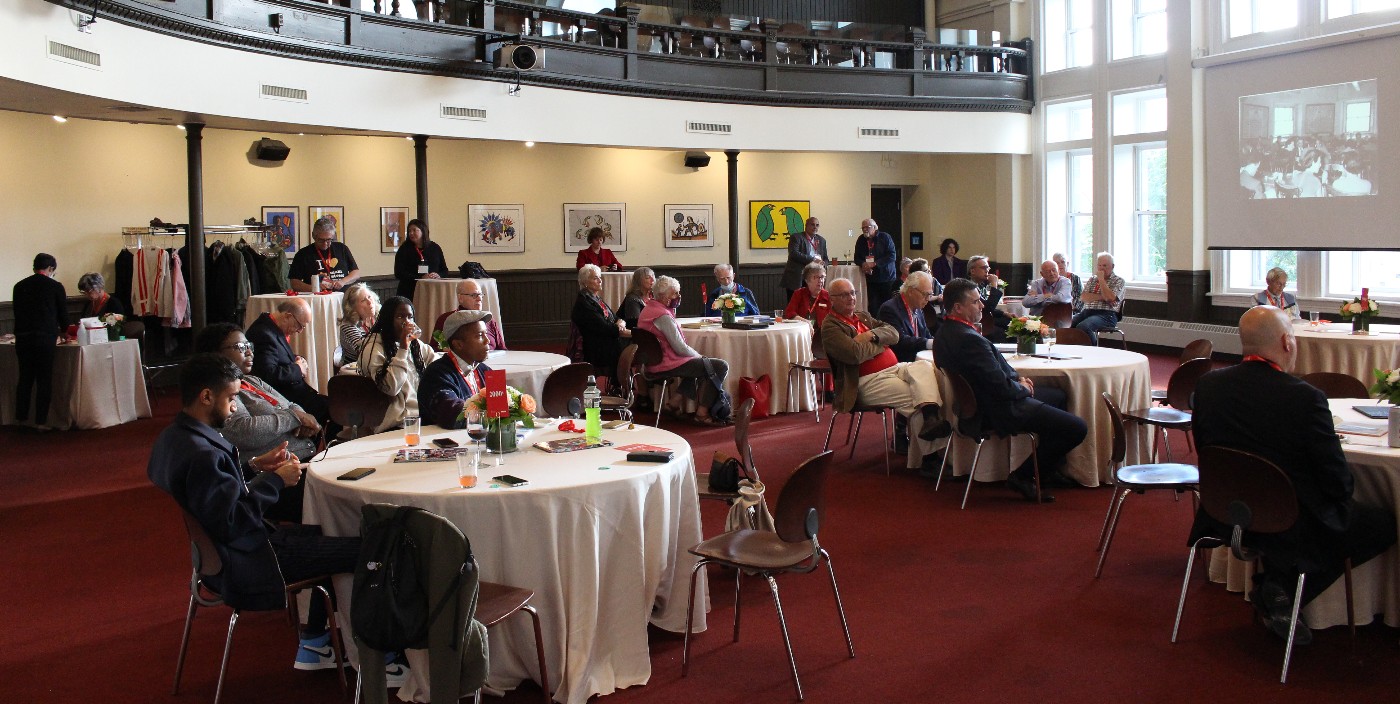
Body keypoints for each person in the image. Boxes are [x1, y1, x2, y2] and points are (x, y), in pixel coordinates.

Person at [146, 354, 368, 675]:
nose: (235, 406)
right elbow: (235, 521)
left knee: (326, 532)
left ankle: (316, 641)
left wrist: (255, 467)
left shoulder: (175, 438)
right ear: (206, 396)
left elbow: (217, 499)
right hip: (249, 560)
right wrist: (276, 482)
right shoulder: (203, 454)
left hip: (215, 561)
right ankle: (377, 656)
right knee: (365, 548)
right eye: (232, 397)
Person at [1189, 306, 1395, 644]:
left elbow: (1206, 447)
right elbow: (1337, 482)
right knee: (1381, 524)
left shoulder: (1208, 386)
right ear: (1287, 342)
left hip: (1225, 513)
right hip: (1291, 521)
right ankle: (1279, 588)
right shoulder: (1305, 398)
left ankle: (1278, 589)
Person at [934, 279, 1088, 502]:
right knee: (1077, 428)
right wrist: (1022, 387)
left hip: (979, 403)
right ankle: (1022, 476)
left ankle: (1045, 470)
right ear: (958, 307)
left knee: (1059, 396)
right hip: (997, 409)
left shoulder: (945, 332)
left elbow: (992, 375)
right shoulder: (969, 340)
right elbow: (1001, 388)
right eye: (976, 302)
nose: (982, 306)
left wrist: (1017, 378)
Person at [820, 278, 947, 470]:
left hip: (892, 369)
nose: (851, 298)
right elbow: (854, 354)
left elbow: (894, 333)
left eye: (853, 293)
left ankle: (931, 416)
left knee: (924, 367)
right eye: (844, 295)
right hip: (865, 382)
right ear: (832, 299)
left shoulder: (862, 316)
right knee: (917, 396)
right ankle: (928, 461)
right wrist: (881, 344)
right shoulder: (831, 327)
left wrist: (871, 336)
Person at [197, 322, 322, 464]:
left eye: (249, 346)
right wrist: (295, 418)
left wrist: (301, 418)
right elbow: (243, 432)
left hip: (304, 457)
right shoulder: (220, 391)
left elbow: (291, 405)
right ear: (216, 353)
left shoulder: (252, 381)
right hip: (273, 472)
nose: (249, 352)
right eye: (241, 347)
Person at [638, 276, 731, 425]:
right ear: (662, 296)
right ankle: (702, 413)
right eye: (674, 293)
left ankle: (674, 403)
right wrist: (701, 357)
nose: (678, 297)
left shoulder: (649, 309)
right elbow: (680, 348)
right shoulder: (662, 316)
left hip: (655, 361)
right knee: (719, 366)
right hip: (664, 363)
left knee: (698, 366)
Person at [358, 296, 439, 434]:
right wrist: (403, 349)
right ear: (388, 320)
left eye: (410, 317)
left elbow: (438, 367)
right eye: (400, 317)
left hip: (423, 417)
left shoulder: (416, 345)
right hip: (396, 423)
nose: (406, 323)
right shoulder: (373, 348)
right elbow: (391, 388)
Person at [246, 297, 330, 423]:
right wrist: (297, 369)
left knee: (335, 406)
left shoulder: (271, 326)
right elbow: (267, 375)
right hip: (282, 398)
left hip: (293, 392)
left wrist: (296, 359)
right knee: (334, 410)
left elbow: (277, 355)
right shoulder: (263, 334)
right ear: (287, 316)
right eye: (300, 325)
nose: (300, 331)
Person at [12, 253, 68, 430]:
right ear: (50, 269)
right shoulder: (55, 286)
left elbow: (16, 312)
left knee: (25, 378)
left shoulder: (19, 286)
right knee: (44, 379)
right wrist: (65, 331)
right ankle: (40, 421)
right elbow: (62, 314)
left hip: (23, 337)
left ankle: (21, 419)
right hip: (45, 337)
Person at [417, 310, 494, 429]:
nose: (487, 341)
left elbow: (501, 406)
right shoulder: (437, 374)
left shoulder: (485, 370)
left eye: (486, 334)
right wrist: (492, 409)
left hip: (476, 441)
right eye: (479, 336)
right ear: (458, 344)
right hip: (442, 444)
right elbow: (451, 415)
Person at [571, 264, 630, 379]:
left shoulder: (595, 298)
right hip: (595, 348)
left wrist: (620, 323)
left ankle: (624, 386)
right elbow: (606, 328)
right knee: (628, 348)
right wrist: (618, 326)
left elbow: (616, 317)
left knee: (630, 345)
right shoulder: (584, 303)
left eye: (599, 277)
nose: (600, 281)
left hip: (604, 341)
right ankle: (622, 386)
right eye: (595, 278)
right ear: (585, 282)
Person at [877, 271, 938, 363]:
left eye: (930, 295)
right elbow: (899, 341)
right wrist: (929, 343)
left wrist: (937, 343)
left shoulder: (918, 308)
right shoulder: (889, 309)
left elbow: (926, 334)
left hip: (918, 360)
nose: (927, 299)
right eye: (925, 294)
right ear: (910, 291)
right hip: (900, 363)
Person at [289, 216, 361, 292]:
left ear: (333, 236)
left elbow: (356, 273)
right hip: (316, 298)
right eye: (321, 240)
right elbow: (294, 283)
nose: (325, 244)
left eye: (329, 240)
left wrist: (343, 281)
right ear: (313, 236)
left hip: (341, 297)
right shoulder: (302, 254)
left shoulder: (342, 248)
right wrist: (314, 287)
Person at [431, 279, 506, 352]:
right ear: (460, 298)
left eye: (480, 295)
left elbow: (503, 349)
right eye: (474, 295)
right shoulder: (445, 319)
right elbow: (434, 349)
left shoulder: (489, 319)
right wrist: (445, 350)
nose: (479, 299)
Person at [1072, 252, 1125, 345]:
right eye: (1099, 265)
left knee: (1083, 327)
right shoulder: (1092, 279)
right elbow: (1084, 297)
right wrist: (1103, 296)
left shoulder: (1118, 280)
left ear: (1112, 266)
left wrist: (1101, 280)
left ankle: (1094, 351)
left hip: (1107, 315)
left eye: (1105, 265)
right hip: (1087, 311)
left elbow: (1110, 298)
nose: (1101, 268)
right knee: (1066, 323)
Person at [392, 218, 448, 299]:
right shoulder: (404, 249)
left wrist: (438, 275)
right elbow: (398, 272)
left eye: (414, 230)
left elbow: (444, 270)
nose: (411, 233)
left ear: (423, 231)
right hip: (410, 291)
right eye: (409, 231)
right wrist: (419, 278)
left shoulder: (435, 248)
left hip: (432, 291)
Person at [854, 218, 898, 316]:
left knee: (886, 305)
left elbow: (892, 256)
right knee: (872, 306)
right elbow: (857, 258)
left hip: (886, 278)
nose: (865, 229)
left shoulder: (885, 237)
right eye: (863, 228)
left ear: (875, 228)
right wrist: (863, 264)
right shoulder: (861, 239)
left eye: (867, 227)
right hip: (870, 279)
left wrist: (875, 263)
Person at [781, 216, 828, 300]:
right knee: (795, 303)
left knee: (811, 303)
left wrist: (823, 263)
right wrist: (812, 260)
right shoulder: (796, 237)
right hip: (797, 277)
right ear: (806, 226)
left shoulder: (822, 240)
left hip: (814, 277)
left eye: (817, 225)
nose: (815, 227)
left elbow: (825, 258)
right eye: (812, 224)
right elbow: (793, 253)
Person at [966, 255, 1009, 342]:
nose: (987, 271)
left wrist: (1004, 313)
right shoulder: (969, 287)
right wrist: (994, 285)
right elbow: (987, 308)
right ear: (972, 271)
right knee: (1004, 331)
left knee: (1011, 322)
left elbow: (986, 306)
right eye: (984, 268)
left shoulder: (981, 285)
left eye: (988, 268)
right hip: (979, 321)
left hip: (986, 319)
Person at [338, 283, 380, 366]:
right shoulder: (348, 326)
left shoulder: (379, 317)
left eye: (369, 297)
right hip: (355, 372)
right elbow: (365, 351)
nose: (369, 302)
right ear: (352, 307)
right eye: (363, 300)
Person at [784, 261, 832, 328]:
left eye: (822, 277)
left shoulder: (828, 296)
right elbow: (789, 313)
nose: (820, 280)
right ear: (807, 280)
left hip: (822, 335)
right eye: (816, 277)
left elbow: (834, 318)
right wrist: (805, 322)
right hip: (802, 332)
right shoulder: (799, 294)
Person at [618, 266, 656, 331]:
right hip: (635, 335)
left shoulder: (654, 295)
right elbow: (634, 324)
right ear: (639, 281)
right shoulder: (632, 299)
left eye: (653, 276)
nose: (652, 280)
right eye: (648, 277)